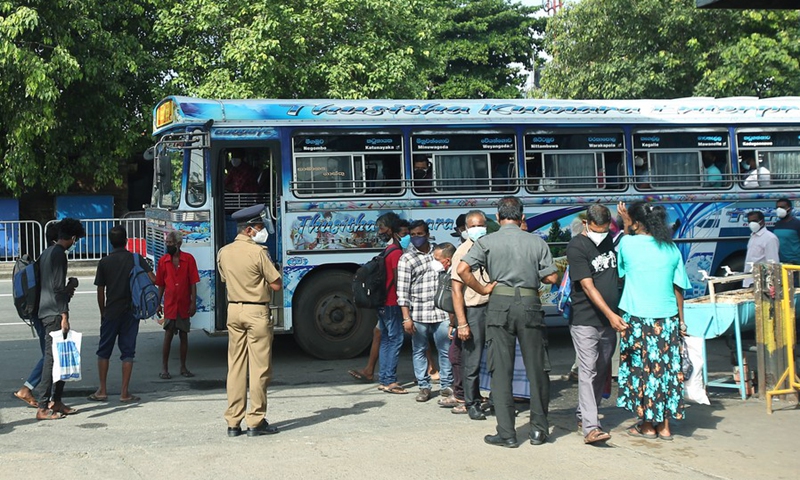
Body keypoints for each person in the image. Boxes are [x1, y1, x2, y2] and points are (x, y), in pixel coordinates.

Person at [458, 196, 558, 448]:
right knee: (537, 368)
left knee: (501, 369)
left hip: (499, 305)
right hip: (529, 304)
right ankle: (538, 430)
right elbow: (552, 277)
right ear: (522, 217)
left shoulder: (487, 242)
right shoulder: (537, 242)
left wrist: (482, 289)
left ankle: (507, 434)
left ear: (498, 217)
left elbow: (461, 270)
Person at [615, 201, 692, 441]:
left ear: (637, 222)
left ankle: (647, 425)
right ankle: (666, 427)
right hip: (667, 319)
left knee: (642, 371)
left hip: (637, 319)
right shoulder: (671, 249)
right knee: (667, 371)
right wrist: (681, 321)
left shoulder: (627, 243)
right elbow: (679, 288)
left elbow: (622, 271)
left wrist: (627, 224)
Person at [217, 204, 282, 437]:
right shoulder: (258, 253)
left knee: (235, 366)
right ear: (249, 230)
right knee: (259, 368)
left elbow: (226, 280)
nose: (261, 230)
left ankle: (233, 422)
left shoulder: (224, 252)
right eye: (259, 227)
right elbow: (276, 283)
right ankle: (255, 421)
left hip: (234, 311)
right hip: (256, 312)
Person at [566, 204, 626, 445]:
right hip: (586, 319)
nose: (601, 233)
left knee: (602, 370)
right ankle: (591, 427)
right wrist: (611, 315)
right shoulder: (577, 246)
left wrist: (627, 220)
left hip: (608, 320)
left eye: (605, 229)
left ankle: (583, 414)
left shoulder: (609, 241)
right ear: (587, 224)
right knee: (588, 370)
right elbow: (588, 286)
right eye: (597, 229)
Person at [89, 226, 154, 404]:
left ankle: (102, 390)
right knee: (127, 353)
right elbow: (152, 279)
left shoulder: (104, 262)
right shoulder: (135, 259)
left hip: (111, 311)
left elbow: (100, 291)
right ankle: (124, 393)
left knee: (104, 351)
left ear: (110, 242)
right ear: (126, 241)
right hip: (131, 311)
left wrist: (103, 312)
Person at [397, 220, 453, 403]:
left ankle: (446, 386)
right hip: (419, 313)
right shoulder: (406, 258)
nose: (416, 238)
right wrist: (406, 318)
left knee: (445, 349)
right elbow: (402, 290)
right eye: (412, 235)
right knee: (419, 350)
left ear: (427, 235)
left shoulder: (438, 253)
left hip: (441, 311)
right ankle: (423, 386)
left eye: (419, 234)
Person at [35, 218, 85, 420]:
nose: (75, 243)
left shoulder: (46, 252)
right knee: (52, 359)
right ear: (72, 237)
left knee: (59, 357)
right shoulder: (59, 255)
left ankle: (57, 400)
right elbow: (57, 289)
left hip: (45, 310)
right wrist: (65, 315)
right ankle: (43, 405)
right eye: (76, 239)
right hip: (54, 313)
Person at [14, 222, 61, 408]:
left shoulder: (44, 255)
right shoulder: (51, 257)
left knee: (49, 355)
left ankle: (42, 394)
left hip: (37, 312)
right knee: (49, 356)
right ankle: (27, 389)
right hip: (45, 313)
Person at [451, 210, 492, 419]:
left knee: (495, 357)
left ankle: (493, 398)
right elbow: (456, 290)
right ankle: (472, 402)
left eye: (481, 225)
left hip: (492, 307)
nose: (478, 229)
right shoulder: (462, 252)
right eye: (474, 226)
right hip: (473, 310)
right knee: (472, 360)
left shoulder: (491, 246)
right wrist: (462, 323)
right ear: (466, 229)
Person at [156, 230, 200, 379]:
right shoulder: (163, 261)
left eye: (170, 243)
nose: (168, 245)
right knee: (168, 335)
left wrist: (193, 302)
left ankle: (183, 367)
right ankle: (164, 368)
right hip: (169, 304)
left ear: (178, 244)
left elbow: (193, 282)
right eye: (167, 243)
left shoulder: (188, 259)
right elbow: (161, 285)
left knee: (183, 335)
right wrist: (158, 303)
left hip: (184, 304)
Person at [433, 242, 464, 410]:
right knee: (454, 355)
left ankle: (462, 396)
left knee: (456, 356)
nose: (435, 263)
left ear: (448, 259)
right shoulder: (447, 272)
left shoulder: (457, 272)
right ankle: (460, 392)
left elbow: (456, 300)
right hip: (458, 322)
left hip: (464, 322)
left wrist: (458, 323)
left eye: (437, 259)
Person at [743, 210, 780, 288]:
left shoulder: (770, 238)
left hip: (761, 282)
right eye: (749, 222)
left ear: (762, 221)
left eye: (754, 221)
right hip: (749, 280)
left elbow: (773, 263)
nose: (752, 224)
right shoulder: (753, 236)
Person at [772, 198, 800, 265]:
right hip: (781, 262)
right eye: (777, 207)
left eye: (782, 207)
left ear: (789, 209)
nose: (779, 209)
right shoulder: (777, 224)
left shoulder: (797, 224)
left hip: (795, 262)